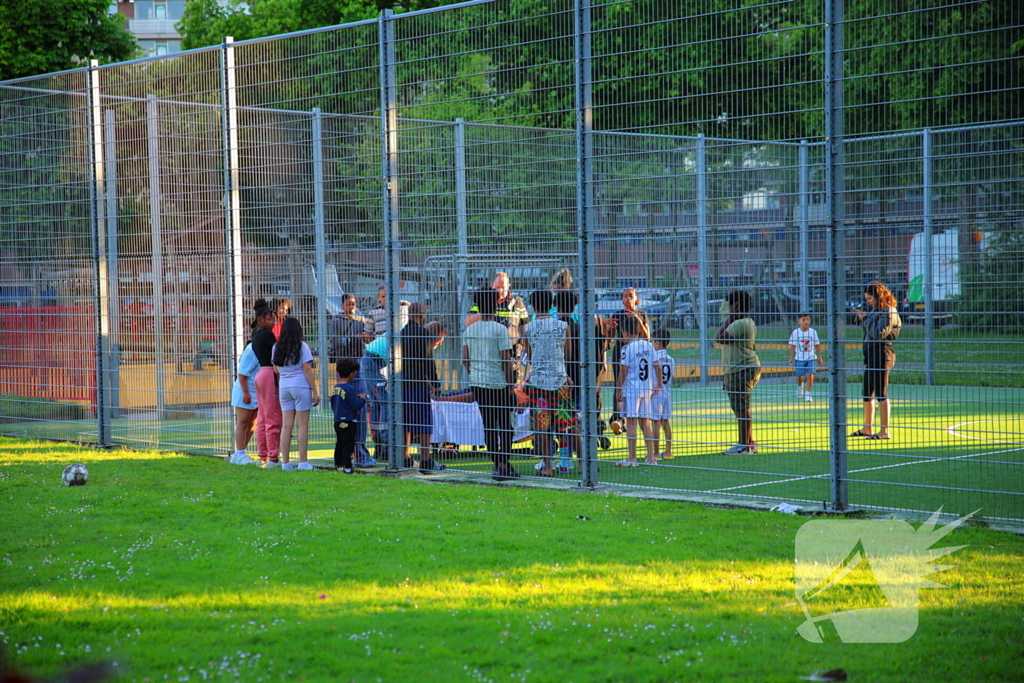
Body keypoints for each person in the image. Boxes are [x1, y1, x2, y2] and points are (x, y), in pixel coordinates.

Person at [462, 288, 519, 481]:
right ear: (495, 304)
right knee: (505, 425)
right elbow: (505, 358)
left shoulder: (470, 329)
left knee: (489, 426)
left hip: (478, 383)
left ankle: (498, 465)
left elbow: (465, 358)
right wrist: (510, 384)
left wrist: (474, 373)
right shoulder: (500, 329)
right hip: (498, 383)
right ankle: (503, 464)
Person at [522, 290, 569, 477]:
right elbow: (569, 354)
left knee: (541, 427)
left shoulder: (528, 328)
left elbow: (529, 356)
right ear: (551, 304)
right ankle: (569, 462)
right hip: (560, 379)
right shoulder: (563, 326)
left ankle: (547, 465)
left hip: (538, 382)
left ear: (533, 306)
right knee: (565, 423)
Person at [400, 303, 447, 473]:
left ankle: (405, 457)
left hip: (403, 382)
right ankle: (426, 459)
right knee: (425, 422)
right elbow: (428, 362)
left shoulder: (402, 333)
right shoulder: (424, 333)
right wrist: (435, 384)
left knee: (406, 421)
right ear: (421, 315)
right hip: (419, 383)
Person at [852, 281, 902, 440]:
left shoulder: (889, 311)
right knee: (867, 392)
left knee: (881, 392)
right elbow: (868, 327)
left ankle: (884, 431)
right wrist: (860, 317)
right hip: (871, 354)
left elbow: (879, 332)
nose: (868, 301)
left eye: (870, 298)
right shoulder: (876, 310)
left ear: (879, 296)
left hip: (882, 354)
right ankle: (867, 428)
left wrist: (865, 318)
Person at [329, 293, 373, 466]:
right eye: (348, 304)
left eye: (353, 304)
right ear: (342, 306)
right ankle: (348, 455)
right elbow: (332, 340)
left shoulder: (361, 320)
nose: (351, 307)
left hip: (357, 364)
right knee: (344, 404)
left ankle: (360, 453)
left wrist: (362, 340)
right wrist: (347, 340)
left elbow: (368, 340)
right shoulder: (336, 320)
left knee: (359, 411)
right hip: (343, 365)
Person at [716, 289, 761, 455]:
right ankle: (749, 441)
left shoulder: (740, 323)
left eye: (729, 306)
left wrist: (731, 316)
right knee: (741, 406)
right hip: (739, 368)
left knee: (742, 407)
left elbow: (719, 337)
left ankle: (743, 444)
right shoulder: (743, 322)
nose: (726, 309)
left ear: (735, 306)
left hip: (741, 368)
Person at [272, 317, 321, 470]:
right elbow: (307, 369)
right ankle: (303, 462)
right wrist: (315, 391)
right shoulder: (302, 346)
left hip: (284, 387)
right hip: (300, 386)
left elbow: (275, 369)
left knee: (286, 427)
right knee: (302, 426)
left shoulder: (276, 346)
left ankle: (285, 463)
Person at [614, 315, 662, 466]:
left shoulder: (627, 348)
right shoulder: (648, 345)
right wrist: (659, 384)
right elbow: (657, 366)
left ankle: (632, 458)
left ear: (624, 332)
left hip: (632, 389)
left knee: (632, 423)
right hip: (646, 388)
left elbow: (623, 371)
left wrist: (618, 389)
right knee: (645, 423)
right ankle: (651, 457)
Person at [464, 271, 529, 382]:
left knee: (512, 384)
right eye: (497, 287)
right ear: (492, 284)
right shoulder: (484, 299)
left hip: (512, 353)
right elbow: (468, 322)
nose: (500, 291)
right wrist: (486, 309)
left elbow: (525, 327)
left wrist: (524, 349)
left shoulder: (517, 302)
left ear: (509, 286)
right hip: (489, 352)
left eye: (503, 287)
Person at [607, 288, 651, 436]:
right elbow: (610, 337)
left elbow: (647, 337)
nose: (627, 299)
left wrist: (637, 318)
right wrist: (610, 328)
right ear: (621, 299)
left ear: (636, 299)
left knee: (636, 384)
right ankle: (618, 420)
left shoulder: (643, 314)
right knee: (619, 383)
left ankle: (637, 416)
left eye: (630, 296)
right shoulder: (618, 315)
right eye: (625, 296)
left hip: (638, 352)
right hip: (621, 350)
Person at [250, 298, 282, 467]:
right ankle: (274, 457)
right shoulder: (267, 335)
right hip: (269, 374)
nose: (273, 323)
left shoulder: (255, 334)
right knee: (273, 417)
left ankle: (263, 454)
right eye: (271, 320)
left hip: (260, 374)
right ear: (261, 319)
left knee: (263, 417)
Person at [228, 335, 261, 465]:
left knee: (252, 424)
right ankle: (240, 453)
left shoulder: (263, 349)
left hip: (256, 391)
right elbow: (241, 374)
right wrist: (246, 393)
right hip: (245, 390)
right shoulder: (251, 350)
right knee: (242, 423)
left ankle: (239, 454)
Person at [330, 358, 368, 474]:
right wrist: (363, 399)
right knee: (348, 445)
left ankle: (338, 464)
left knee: (340, 443)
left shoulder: (336, 388)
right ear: (352, 374)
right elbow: (355, 405)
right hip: (349, 421)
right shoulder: (350, 389)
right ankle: (347, 467)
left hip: (337, 420)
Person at [651, 327, 675, 460]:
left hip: (656, 393)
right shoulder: (670, 359)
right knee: (666, 423)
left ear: (658, 343)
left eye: (653, 342)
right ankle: (668, 451)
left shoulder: (654, 358)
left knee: (656, 423)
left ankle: (655, 453)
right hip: (667, 392)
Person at [788, 313, 823, 402]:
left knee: (810, 375)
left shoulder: (813, 332)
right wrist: (791, 357)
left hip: (810, 358)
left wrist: (819, 358)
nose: (806, 321)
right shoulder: (796, 333)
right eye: (804, 320)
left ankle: (808, 393)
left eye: (808, 319)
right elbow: (792, 345)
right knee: (798, 376)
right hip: (799, 358)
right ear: (799, 322)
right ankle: (800, 386)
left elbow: (817, 345)